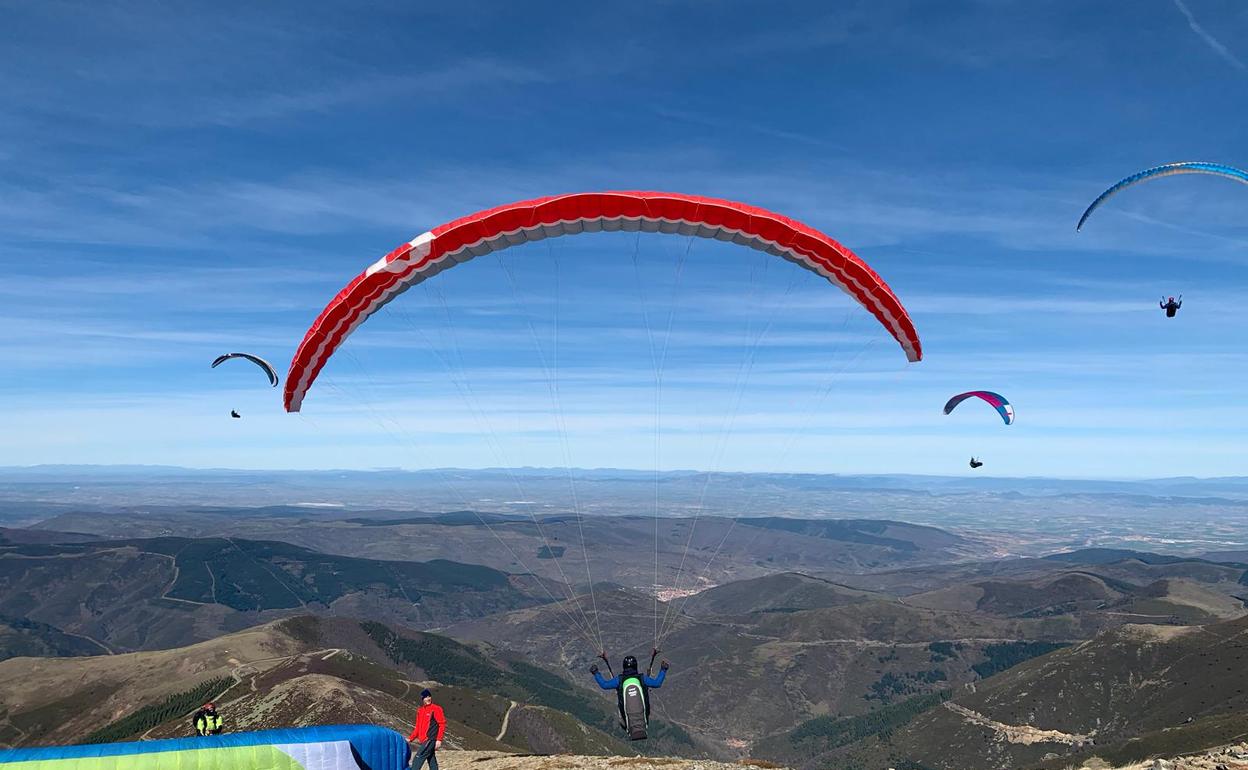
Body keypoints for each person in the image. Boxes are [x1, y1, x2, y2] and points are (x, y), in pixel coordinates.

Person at [591, 654, 669, 739]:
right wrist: (663, 670)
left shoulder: (619, 680)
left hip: (626, 718)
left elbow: (604, 685)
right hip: (643, 715)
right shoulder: (642, 679)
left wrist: (596, 673)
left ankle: (629, 728)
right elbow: (657, 683)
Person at [407, 689, 445, 770]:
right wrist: (410, 739)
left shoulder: (436, 709)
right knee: (431, 760)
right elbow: (417, 727)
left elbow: (442, 724)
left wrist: (439, 739)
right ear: (422, 699)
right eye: (425, 697)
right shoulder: (420, 711)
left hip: (430, 739)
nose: (428, 698)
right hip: (424, 740)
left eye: (429, 696)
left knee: (418, 757)